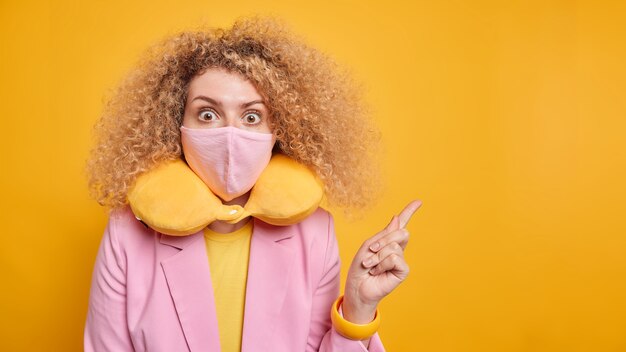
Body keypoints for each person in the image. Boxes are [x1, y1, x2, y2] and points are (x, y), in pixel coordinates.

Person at [84, 15, 422, 352]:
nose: (230, 134)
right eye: (207, 114)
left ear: (280, 132)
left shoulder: (316, 233)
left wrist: (358, 310)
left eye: (251, 116)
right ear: (174, 125)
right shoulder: (126, 232)